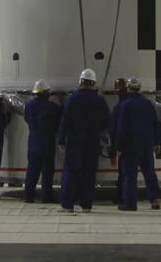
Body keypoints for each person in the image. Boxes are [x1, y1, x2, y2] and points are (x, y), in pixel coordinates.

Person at [57, 68, 109, 213]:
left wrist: (61, 140)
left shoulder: (72, 99)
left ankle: (67, 205)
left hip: (74, 142)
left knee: (71, 172)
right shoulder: (99, 100)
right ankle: (86, 205)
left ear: (80, 81)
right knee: (89, 173)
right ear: (94, 83)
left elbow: (65, 121)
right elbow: (106, 121)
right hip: (92, 143)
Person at [115, 78, 161, 211]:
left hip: (130, 146)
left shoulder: (125, 105)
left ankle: (130, 203)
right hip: (147, 145)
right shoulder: (147, 103)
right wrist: (157, 142)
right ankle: (155, 200)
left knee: (130, 175)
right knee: (150, 173)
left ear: (128, 88)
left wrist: (119, 147)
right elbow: (154, 123)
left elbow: (122, 128)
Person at [23, 80, 62, 203]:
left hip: (33, 141)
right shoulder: (52, 107)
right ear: (46, 93)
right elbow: (59, 119)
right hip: (47, 142)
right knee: (47, 171)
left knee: (32, 170)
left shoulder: (28, 105)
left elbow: (26, 118)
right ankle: (46, 197)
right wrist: (60, 103)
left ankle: (28, 196)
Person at [107, 76, 130, 205]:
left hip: (123, 145)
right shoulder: (144, 103)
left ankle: (123, 198)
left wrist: (113, 151)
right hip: (140, 144)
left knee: (125, 173)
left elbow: (113, 130)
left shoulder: (118, 108)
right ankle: (154, 198)